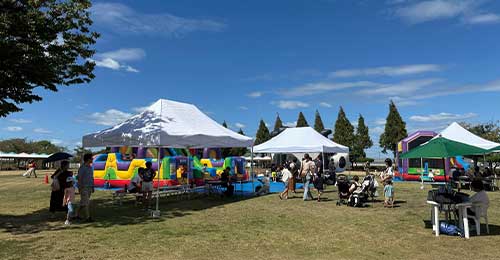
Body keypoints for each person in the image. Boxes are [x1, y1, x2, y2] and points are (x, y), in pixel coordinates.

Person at [76, 154, 94, 222]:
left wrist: (92, 186)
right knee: (86, 202)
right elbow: (79, 178)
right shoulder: (82, 168)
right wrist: (80, 188)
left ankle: (75, 214)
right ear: (88, 159)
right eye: (91, 158)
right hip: (84, 187)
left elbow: (91, 178)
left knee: (83, 202)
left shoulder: (90, 167)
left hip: (89, 187)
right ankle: (88, 217)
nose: (92, 159)